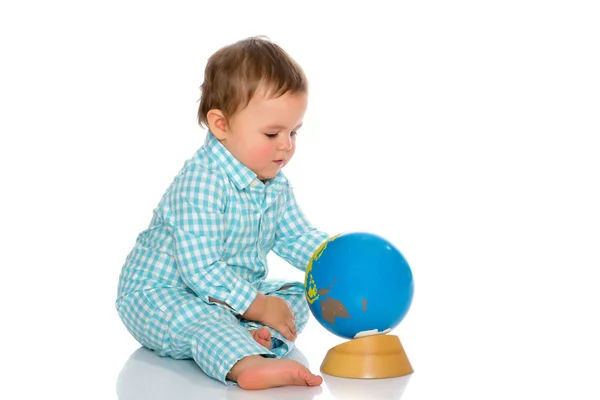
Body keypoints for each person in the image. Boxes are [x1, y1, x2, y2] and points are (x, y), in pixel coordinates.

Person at [115, 36, 330, 390]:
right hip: (161, 294)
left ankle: (252, 337)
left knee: (301, 294)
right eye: (272, 132)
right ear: (221, 125)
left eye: (294, 132)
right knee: (203, 320)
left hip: (233, 293)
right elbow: (200, 270)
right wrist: (258, 305)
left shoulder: (273, 183)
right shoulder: (202, 182)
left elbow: (295, 235)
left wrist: (337, 257)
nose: (286, 145)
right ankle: (246, 365)